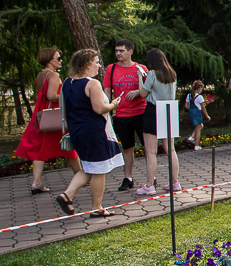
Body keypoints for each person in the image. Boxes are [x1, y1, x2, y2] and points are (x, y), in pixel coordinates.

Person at [54, 49, 123, 217]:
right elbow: (99, 108)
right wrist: (113, 104)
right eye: (96, 62)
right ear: (87, 64)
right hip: (94, 131)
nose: (99, 65)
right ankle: (96, 207)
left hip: (77, 131)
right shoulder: (92, 84)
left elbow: (64, 107)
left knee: (88, 167)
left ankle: (67, 195)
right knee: (99, 170)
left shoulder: (67, 83)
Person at [16, 47, 81, 194]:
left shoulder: (41, 75)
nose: (61, 61)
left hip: (44, 115)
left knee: (41, 150)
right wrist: (69, 96)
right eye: (58, 58)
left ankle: (36, 182)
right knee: (69, 145)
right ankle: (81, 177)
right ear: (49, 60)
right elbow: (52, 96)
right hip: (56, 118)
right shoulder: (53, 75)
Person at [129, 48, 180, 194]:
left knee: (151, 151)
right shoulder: (172, 73)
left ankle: (150, 185)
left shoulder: (152, 73)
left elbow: (143, 93)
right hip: (169, 109)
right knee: (170, 149)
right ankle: (175, 182)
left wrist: (140, 77)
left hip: (154, 110)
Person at [102, 38, 148, 191]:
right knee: (127, 148)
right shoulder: (111, 69)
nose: (118, 54)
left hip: (141, 112)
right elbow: (107, 90)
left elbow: (149, 87)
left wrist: (137, 92)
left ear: (130, 51)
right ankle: (128, 178)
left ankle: (151, 177)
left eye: (121, 51)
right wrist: (108, 110)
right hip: (122, 114)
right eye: (116, 51)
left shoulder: (140, 68)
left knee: (147, 147)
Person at [184, 80, 210, 150]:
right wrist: (207, 116)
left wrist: (191, 109)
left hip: (191, 113)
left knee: (200, 126)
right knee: (198, 129)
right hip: (197, 113)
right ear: (199, 88)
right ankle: (196, 145)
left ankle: (191, 137)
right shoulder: (199, 97)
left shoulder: (189, 95)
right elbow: (203, 108)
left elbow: (186, 105)